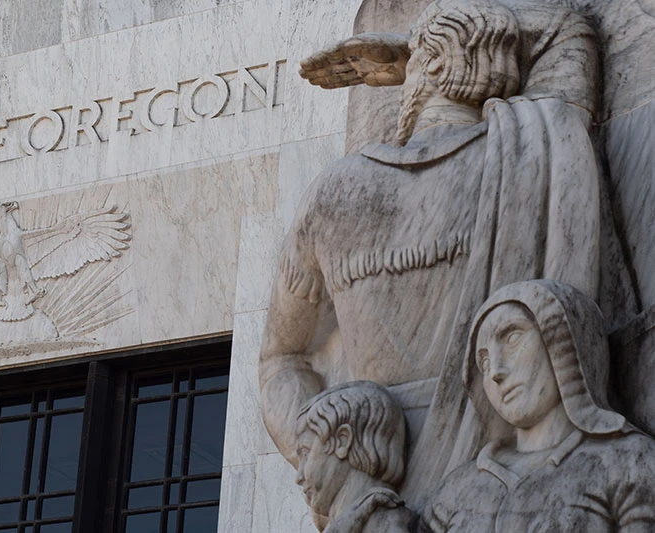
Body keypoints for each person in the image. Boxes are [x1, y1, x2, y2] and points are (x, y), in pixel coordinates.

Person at [260, 0, 601, 499]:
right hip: (505, 477)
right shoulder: (538, 145)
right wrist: (417, 49)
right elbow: (572, 30)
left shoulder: (334, 193)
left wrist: (328, 460)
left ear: (432, 67)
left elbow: (280, 361)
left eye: (416, 61)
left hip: (377, 477)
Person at [421, 280, 655, 531]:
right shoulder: (453, 492)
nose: (496, 372)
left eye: (512, 338)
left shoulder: (629, 463)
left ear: (565, 340)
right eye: (485, 362)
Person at [295, 381, 415, 533]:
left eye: (305, 453)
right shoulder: (355, 521)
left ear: (343, 441)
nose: (298, 476)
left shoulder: (386, 524)